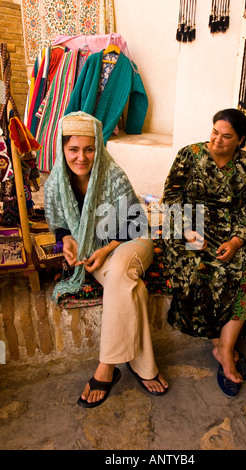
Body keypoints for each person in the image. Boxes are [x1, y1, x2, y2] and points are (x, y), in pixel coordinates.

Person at [44, 111, 168, 408]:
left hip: (131, 242)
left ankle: (106, 368)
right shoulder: (55, 184)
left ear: (99, 147)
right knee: (130, 287)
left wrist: (103, 250)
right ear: (62, 149)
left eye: (89, 149)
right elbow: (62, 225)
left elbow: (134, 224)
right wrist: (69, 242)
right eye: (73, 149)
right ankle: (144, 366)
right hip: (95, 252)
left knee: (123, 266)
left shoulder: (112, 175)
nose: (81, 157)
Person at [161, 108, 246, 398]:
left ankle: (224, 349)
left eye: (226, 136)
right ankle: (223, 346)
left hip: (228, 234)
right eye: (214, 132)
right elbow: (170, 198)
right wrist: (186, 230)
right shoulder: (190, 155)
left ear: (241, 140)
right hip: (189, 231)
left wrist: (237, 242)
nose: (217, 140)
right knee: (199, 273)